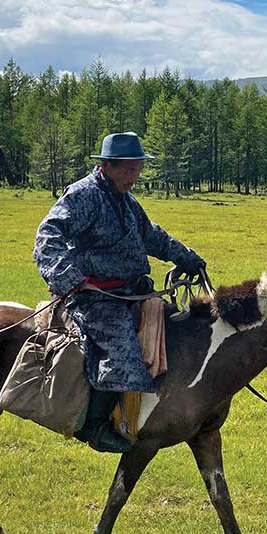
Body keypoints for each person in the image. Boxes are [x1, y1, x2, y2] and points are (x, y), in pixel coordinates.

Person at [33, 131, 206, 453]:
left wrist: (187, 258)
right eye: (128, 170)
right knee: (122, 352)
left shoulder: (125, 200)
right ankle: (95, 427)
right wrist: (67, 277)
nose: (133, 177)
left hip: (132, 291)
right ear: (107, 166)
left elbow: (151, 236)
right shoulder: (82, 196)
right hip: (96, 296)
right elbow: (48, 235)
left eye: (137, 170)